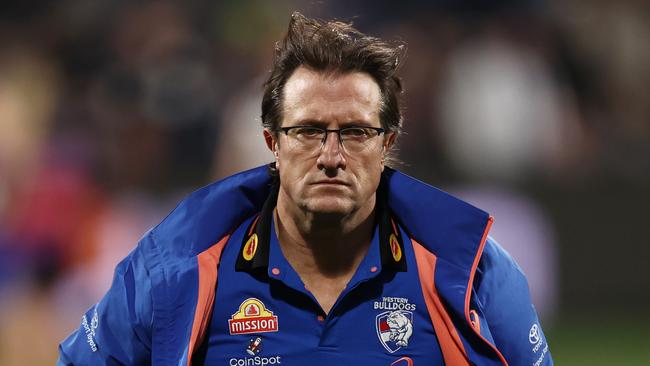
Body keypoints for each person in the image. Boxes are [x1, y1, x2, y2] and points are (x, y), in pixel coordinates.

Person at [58, 12, 552, 366]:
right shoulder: (174, 266)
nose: (331, 157)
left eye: (356, 133)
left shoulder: (472, 271)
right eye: (309, 131)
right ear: (272, 141)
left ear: (388, 145)